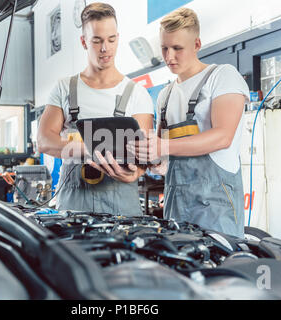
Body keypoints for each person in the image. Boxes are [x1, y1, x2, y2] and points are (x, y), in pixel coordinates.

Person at [129, 8, 249, 237]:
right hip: (175, 208)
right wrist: (151, 159)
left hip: (216, 209)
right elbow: (166, 161)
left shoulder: (222, 76)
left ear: (196, 44)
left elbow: (223, 136)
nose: (169, 57)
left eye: (177, 48)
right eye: (164, 48)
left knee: (219, 269)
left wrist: (163, 147)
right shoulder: (164, 96)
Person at [37, 2, 154, 216]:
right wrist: (97, 150)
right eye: (97, 40)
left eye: (111, 40)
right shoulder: (64, 88)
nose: (105, 48)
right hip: (72, 201)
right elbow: (44, 142)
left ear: (117, 38)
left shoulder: (137, 93)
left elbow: (144, 154)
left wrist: (135, 173)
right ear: (84, 41)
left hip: (121, 201)